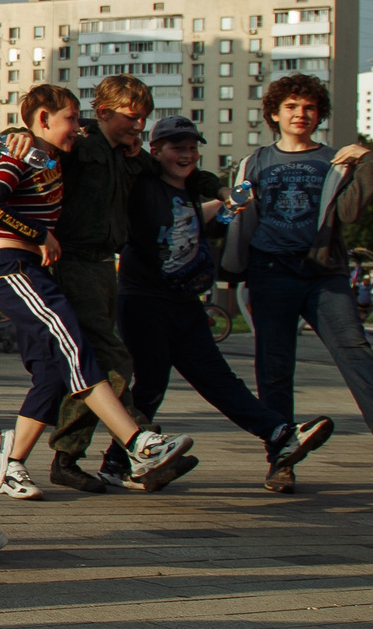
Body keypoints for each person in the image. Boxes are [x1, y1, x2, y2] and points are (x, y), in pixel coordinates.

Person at [0, 84, 195, 494]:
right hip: (11, 266)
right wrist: (40, 232)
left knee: (50, 375)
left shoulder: (56, 156)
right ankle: (138, 442)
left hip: (34, 270)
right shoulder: (23, 151)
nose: (79, 128)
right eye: (71, 120)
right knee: (75, 349)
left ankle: (9, 464)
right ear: (43, 119)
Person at [109, 114, 333, 493]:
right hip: (144, 300)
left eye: (193, 148)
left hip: (184, 303)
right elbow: (129, 163)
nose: (187, 155)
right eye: (177, 148)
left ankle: (279, 434)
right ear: (156, 150)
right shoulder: (142, 183)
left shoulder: (191, 191)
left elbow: (204, 199)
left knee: (217, 379)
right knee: (149, 386)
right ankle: (120, 462)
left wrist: (223, 199)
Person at [221, 74, 373, 456]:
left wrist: (370, 160)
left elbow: (350, 213)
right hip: (271, 271)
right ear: (274, 113)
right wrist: (229, 266)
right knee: (274, 365)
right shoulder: (255, 162)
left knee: (353, 345)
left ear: (319, 114)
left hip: (324, 273)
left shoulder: (336, 160)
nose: (300, 114)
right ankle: (282, 453)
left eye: (309, 108)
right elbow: (237, 216)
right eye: (291, 107)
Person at [39, 76, 154, 493]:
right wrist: (17, 135)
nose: (139, 126)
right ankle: (141, 440)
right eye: (132, 117)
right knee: (110, 357)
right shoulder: (82, 146)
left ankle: (67, 457)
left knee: (88, 364)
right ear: (103, 113)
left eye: (144, 118)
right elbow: (42, 141)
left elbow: (168, 173)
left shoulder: (128, 156)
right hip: (75, 262)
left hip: (106, 267)